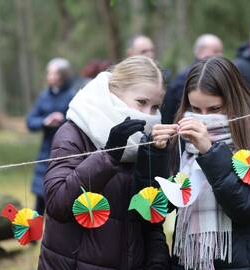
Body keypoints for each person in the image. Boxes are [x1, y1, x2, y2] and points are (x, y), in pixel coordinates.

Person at [154, 56, 250, 269]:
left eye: (215, 110)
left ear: (234, 103)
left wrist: (210, 152)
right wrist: (156, 154)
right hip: (190, 262)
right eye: (196, 110)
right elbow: (159, 207)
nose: (203, 119)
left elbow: (248, 208)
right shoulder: (182, 143)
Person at [38, 56, 170, 269]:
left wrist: (158, 260)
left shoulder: (146, 141)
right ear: (114, 94)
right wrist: (108, 155)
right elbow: (57, 204)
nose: (148, 115)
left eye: (155, 107)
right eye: (141, 102)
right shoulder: (74, 131)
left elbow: (151, 216)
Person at [26, 57, 75, 215]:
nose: (49, 77)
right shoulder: (43, 97)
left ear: (63, 75)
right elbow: (30, 121)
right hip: (45, 151)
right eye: (49, 73)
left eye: (53, 73)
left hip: (66, 150)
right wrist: (45, 121)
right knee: (40, 194)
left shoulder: (72, 95)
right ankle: (33, 233)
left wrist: (62, 120)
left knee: (60, 193)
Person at [161, 33, 223, 124]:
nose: (220, 55)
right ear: (200, 51)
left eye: (214, 109)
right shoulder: (183, 79)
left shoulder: (221, 74)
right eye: (216, 51)